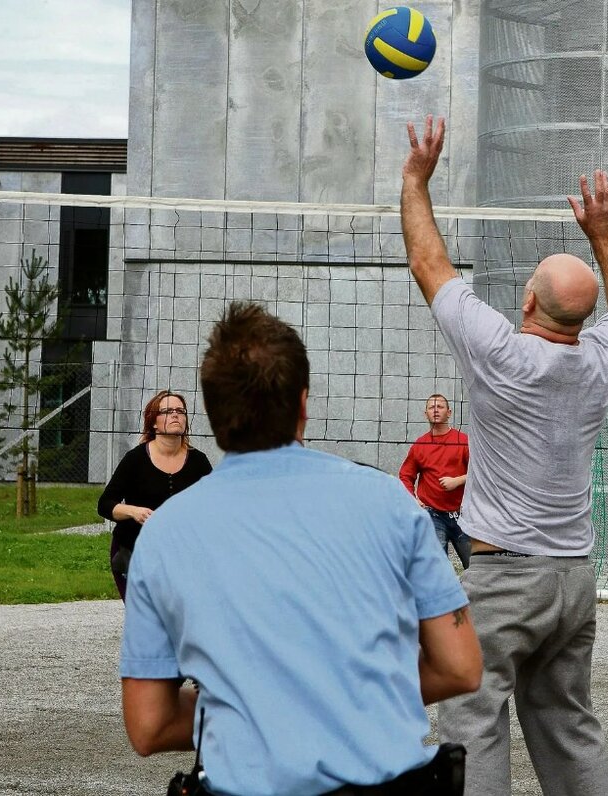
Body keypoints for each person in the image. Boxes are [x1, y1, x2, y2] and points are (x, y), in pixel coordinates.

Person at [119, 302, 482, 795]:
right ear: (303, 403)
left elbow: (149, 725)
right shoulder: (390, 503)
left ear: (209, 412)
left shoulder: (164, 533)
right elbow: (459, 666)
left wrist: (257, 704)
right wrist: (345, 696)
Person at [400, 116, 608, 796]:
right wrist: (603, 234)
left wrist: (416, 179)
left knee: (473, 717)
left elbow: (429, 263)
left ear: (527, 301)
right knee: (567, 724)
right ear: (584, 323)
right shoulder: (600, 360)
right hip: (572, 579)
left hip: (505, 575)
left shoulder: (499, 353)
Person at [98, 390, 212, 600]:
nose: (176, 415)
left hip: (182, 555)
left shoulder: (199, 462)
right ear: (154, 423)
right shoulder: (135, 459)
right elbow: (104, 504)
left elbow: (213, 508)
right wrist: (133, 511)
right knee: (148, 620)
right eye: (168, 411)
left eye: (180, 411)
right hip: (134, 552)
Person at [399, 393, 471, 568]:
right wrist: (413, 499)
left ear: (449, 412)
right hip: (433, 514)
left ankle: (472, 595)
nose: (436, 410)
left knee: (474, 566)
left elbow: (482, 471)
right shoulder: (420, 445)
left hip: (462, 514)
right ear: (426, 414)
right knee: (437, 567)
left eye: (440, 407)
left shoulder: (462, 441)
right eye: (432, 407)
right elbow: (405, 476)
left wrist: (458, 480)